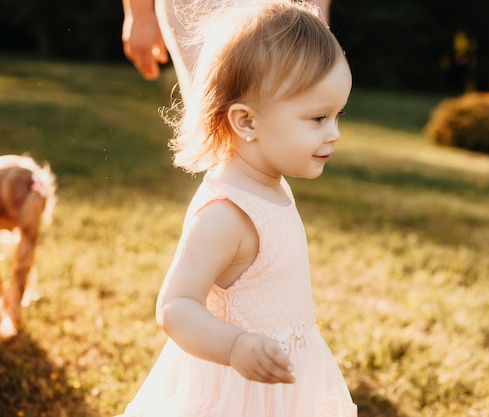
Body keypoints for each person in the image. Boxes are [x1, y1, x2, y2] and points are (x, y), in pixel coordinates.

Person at [116, 1, 356, 416]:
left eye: (338, 115)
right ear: (246, 122)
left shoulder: (270, 182)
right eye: (318, 118)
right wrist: (235, 346)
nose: (334, 134)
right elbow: (176, 305)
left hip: (284, 384)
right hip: (235, 393)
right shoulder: (226, 213)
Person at [121, 0, 332, 102]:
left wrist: (318, 11)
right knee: (218, 116)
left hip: (267, 7)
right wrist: (139, 14)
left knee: (273, 113)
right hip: (193, 8)